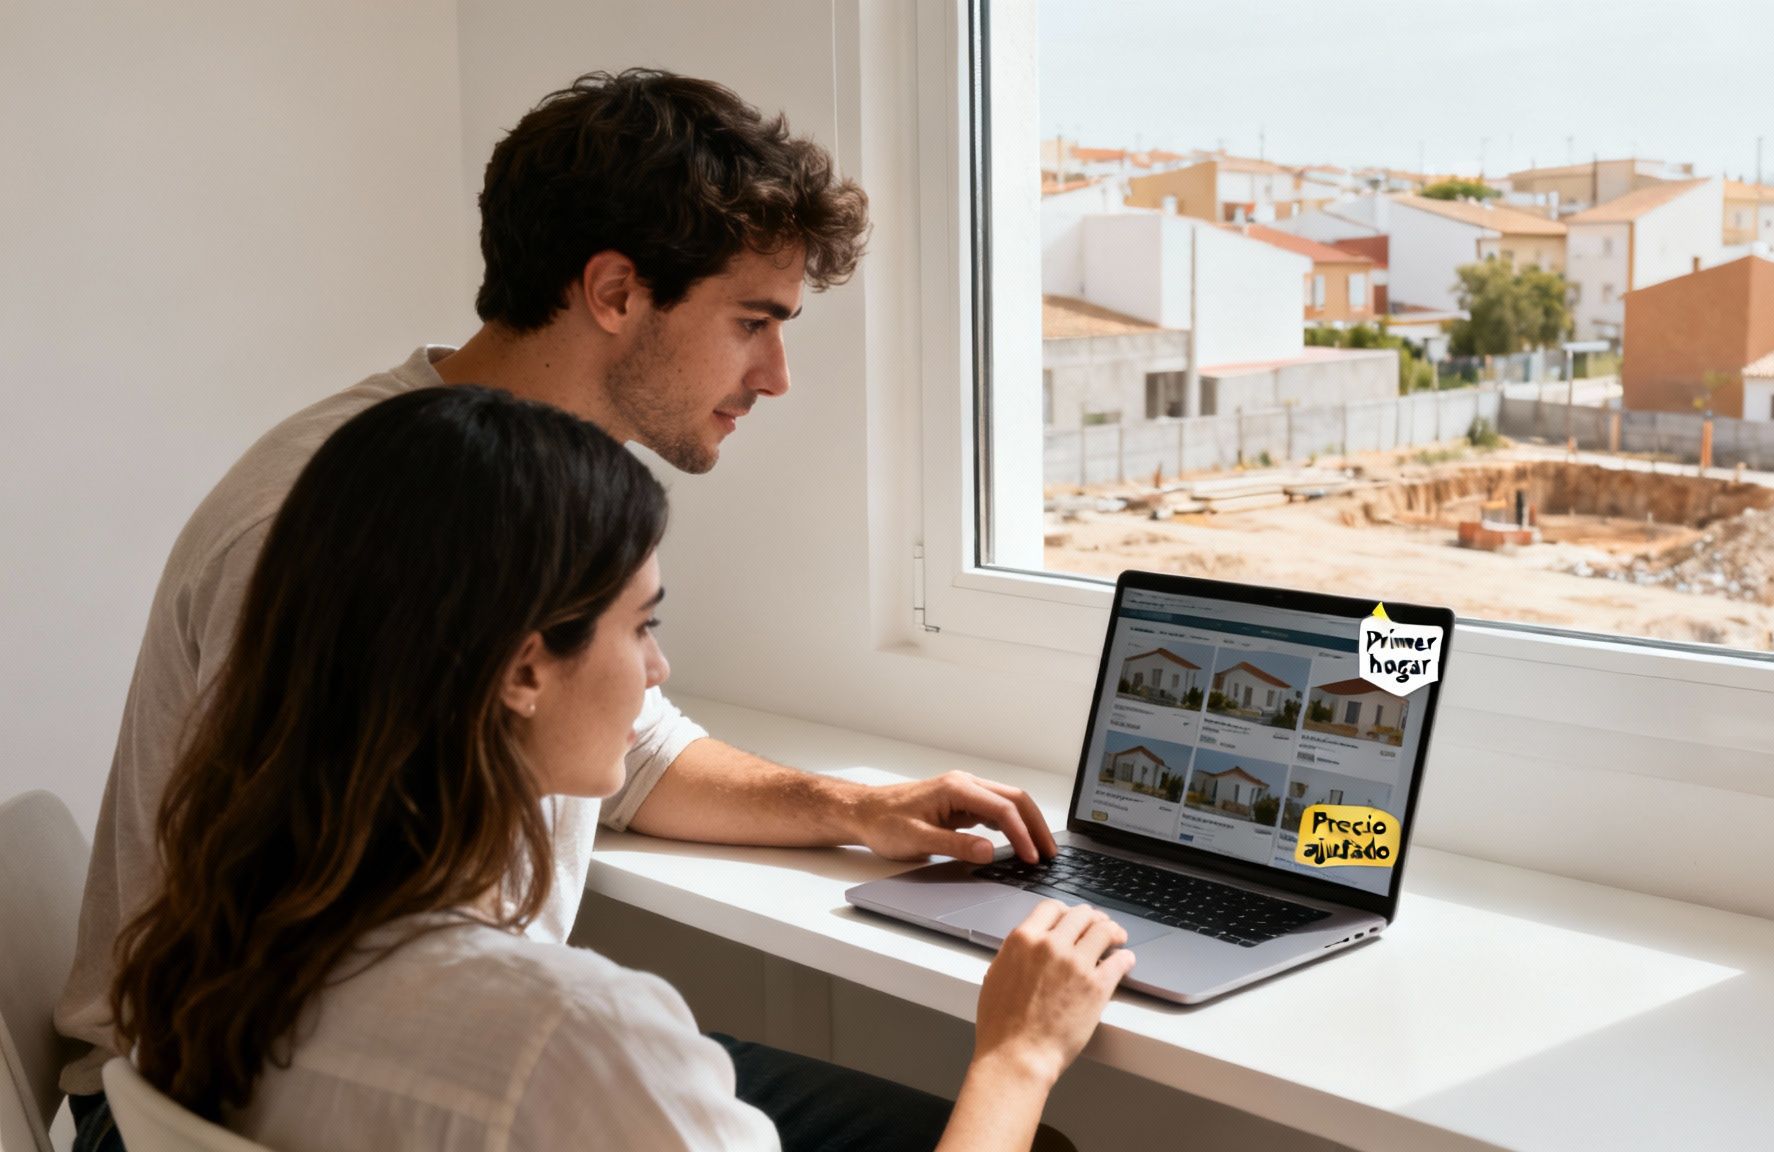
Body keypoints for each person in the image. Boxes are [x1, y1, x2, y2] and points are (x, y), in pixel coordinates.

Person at [58, 69, 1066, 1148]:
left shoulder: (505, 501)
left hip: (358, 1044)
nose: (775, 376)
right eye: (752, 321)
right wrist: (1020, 1054)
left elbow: (621, 748)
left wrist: (850, 808)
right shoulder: (345, 518)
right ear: (616, 292)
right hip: (250, 1091)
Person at [108, 386, 1132, 1150]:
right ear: (521, 669)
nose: (657, 672)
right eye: (640, 626)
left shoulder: (199, 948)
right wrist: (1018, 1053)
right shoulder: (569, 1033)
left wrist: (846, 803)